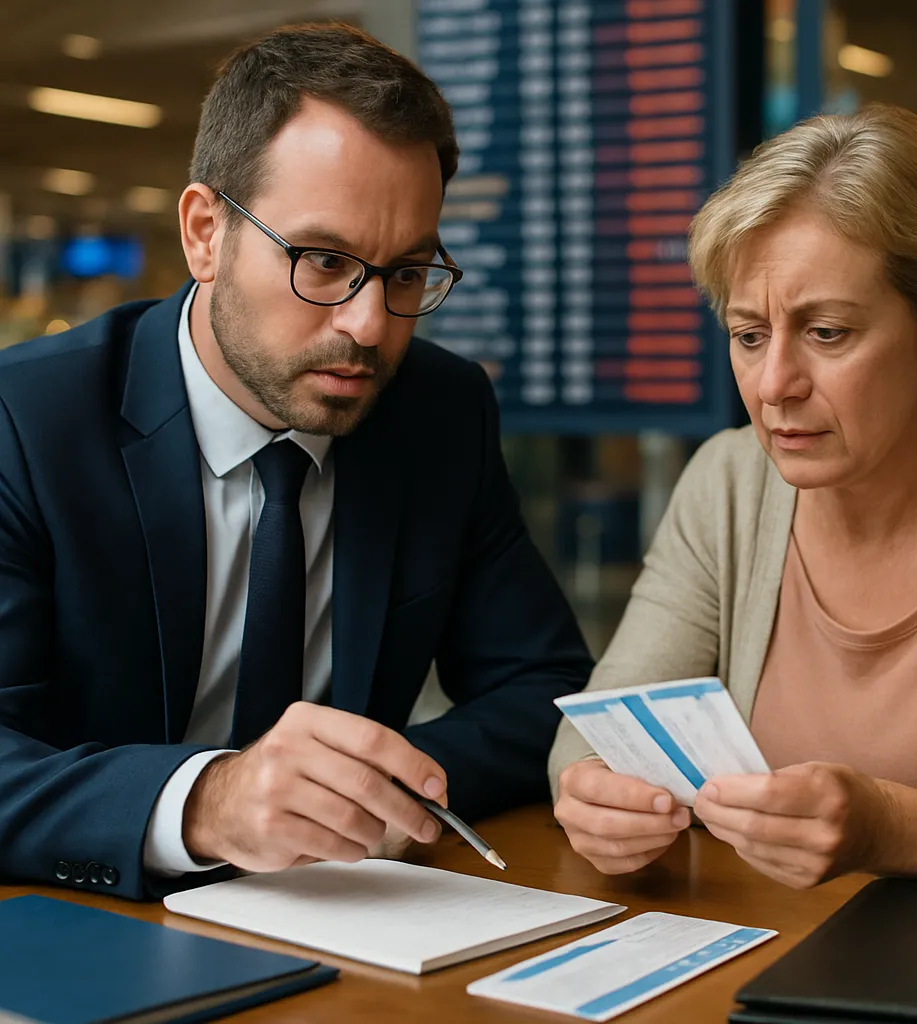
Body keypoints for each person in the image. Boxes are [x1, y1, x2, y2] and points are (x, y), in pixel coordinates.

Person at [0, 23, 592, 901]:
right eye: (323, 260)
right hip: (80, 923)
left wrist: (359, 790)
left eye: (406, 272)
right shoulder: (27, 420)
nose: (369, 325)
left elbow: (544, 689)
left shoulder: (437, 410)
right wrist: (204, 802)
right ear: (205, 234)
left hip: (349, 916)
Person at [549, 103, 917, 890]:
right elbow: (589, 744)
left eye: (827, 333)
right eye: (749, 335)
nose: (773, 387)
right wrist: (602, 799)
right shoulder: (729, 483)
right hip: (758, 964)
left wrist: (890, 826)